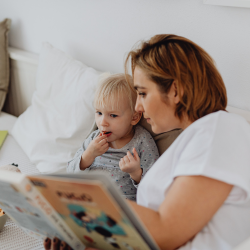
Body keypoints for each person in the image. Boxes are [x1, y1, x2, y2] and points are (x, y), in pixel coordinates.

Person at [44, 34, 250, 250]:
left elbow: (166, 231)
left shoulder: (219, 130)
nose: (138, 108)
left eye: (142, 93)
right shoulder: (193, 138)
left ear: (175, 91)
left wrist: (77, 208)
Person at [67, 73, 159, 201]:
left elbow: (155, 188)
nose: (102, 122)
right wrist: (88, 156)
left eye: (113, 115)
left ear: (134, 117)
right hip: (89, 199)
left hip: (122, 203)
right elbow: (69, 174)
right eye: (99, 113)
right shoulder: (94, 138)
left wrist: (136, 173)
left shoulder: (141, 141)